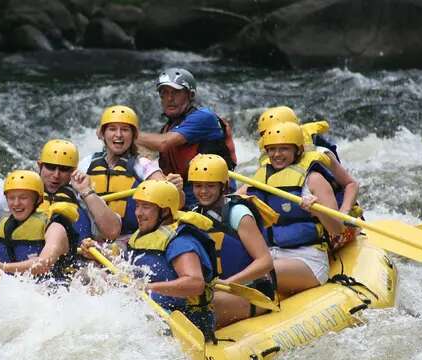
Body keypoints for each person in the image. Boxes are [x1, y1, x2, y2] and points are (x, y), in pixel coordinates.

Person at [84, 180, 219, 341]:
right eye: (138, 206)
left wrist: (147, 287)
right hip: (150, 310)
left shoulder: (181, 242)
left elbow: (195, 284)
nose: (138, 213)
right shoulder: (144, 234)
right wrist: (101, 255)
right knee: (92, 278)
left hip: (184, 319)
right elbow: (131, 267)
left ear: (165, 211)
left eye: (146, 207)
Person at [0, 139, 121, 253]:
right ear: (40, 166)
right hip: (26, 271)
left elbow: (112, 232)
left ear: (74, 171)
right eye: (51, 167)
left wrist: (86, 192)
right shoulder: (19, 195)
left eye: (64, 169)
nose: (56, 175)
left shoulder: (83, 195)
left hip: (73, 271)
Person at [243, 122, 344, 295]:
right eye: (272, 149)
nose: (277, 154)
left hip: (307, 259)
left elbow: (337, 228)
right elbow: (229, 200)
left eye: (284, 149)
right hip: (268, 255)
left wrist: (317, 210)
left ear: (297, 150)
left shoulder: (314, 180)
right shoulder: (260, 178)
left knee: (259, 273)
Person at [187, 154, 275, 327]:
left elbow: (265, 261)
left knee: (203, 307)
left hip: (253, 293)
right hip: (217, 291)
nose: (203, 191)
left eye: (210, 186)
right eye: (198, 186)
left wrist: (228, 283)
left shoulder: (238, 213)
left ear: (223, 186)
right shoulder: (194, 215)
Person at [76, 104, 183, 246]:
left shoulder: (142, 165)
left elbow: (175, 201)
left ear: (134, 135)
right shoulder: (86, 163)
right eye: (112, 129)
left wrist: (178, 190)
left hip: (129, 240)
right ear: (102, 134)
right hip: (90, 242)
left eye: (125, 130)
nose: (118, 135)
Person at [255, 106, 360, 249]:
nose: (267, 138)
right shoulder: (272, 156)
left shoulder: (320, 153)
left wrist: (344, 212)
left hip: (333, 214)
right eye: (264, 134)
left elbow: (351, 184)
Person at [135, 68, 237, 208]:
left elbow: (163, 143)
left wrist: (126, 130)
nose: (170, 98)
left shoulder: (204, 117)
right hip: (185, 193)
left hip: (214, 193)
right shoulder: (167, 129)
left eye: (176, 92)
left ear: (190, 95)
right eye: (164, 93)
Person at [0, 170, 76, 284]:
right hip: (24, 295)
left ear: (38, 199)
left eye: (23, 197)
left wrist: (4, 267)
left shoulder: (55, 227)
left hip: (59, 294)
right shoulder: (6, 227)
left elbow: (44, 264)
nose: (16, 203)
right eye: (11, 198)